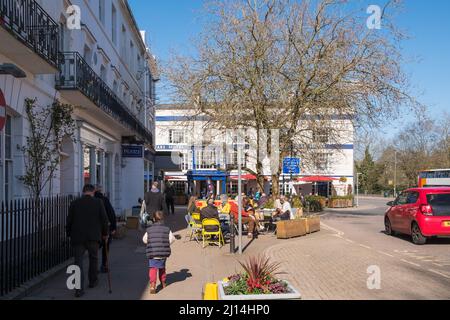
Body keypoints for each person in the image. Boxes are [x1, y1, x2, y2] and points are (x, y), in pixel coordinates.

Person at [66, 184, 109, 298]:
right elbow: (104, 219)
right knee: (93, 258)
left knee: (78, 262)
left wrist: (69, 233)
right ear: (93, 191)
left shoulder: (75, 203)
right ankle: (92, 281)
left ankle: (78, 288)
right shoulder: (98, 202)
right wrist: (105, 233)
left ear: (83, 191)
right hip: (93, 236)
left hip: (78, 236)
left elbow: (69, 220)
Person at [142, 211, 175, 294]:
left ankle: (153, 285)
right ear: (163, 219)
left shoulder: (149, 229)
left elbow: (144, 239)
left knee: (153, 268)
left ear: (153, 219)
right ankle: (163, 282)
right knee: (162, 268)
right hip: (163, 252)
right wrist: (165, 243)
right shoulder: (167, 229)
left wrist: (150, 242)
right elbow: (172, 239)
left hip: (152, 252)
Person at [95, 185, 117, 273]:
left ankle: (94, 267)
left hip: (94, 229)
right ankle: (104, 265)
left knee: (94, 249)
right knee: (105, 248)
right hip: (105, 228)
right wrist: (113, 227)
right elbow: (111, 213)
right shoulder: (104, 200)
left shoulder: (92, 200)